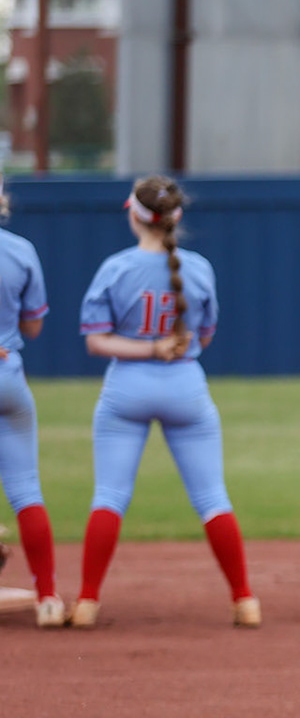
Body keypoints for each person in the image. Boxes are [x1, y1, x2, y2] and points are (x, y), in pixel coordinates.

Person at [75, 175, 258, 629]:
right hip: (184, 385)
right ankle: (245, 601)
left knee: (109, 497)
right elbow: (206, 334)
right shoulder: (198, 268)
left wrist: (146, 349)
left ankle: (86, 603)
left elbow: (96, 342)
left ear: (134, 215)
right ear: (176, 217)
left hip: (127, 388)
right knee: (213, 498)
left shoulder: (116, 268)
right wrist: (167, 350)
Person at [0, 174, 62, 627]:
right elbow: (34, 327)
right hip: (9, 379)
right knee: (26, 492)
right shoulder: (20, 250)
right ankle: (48, 598)